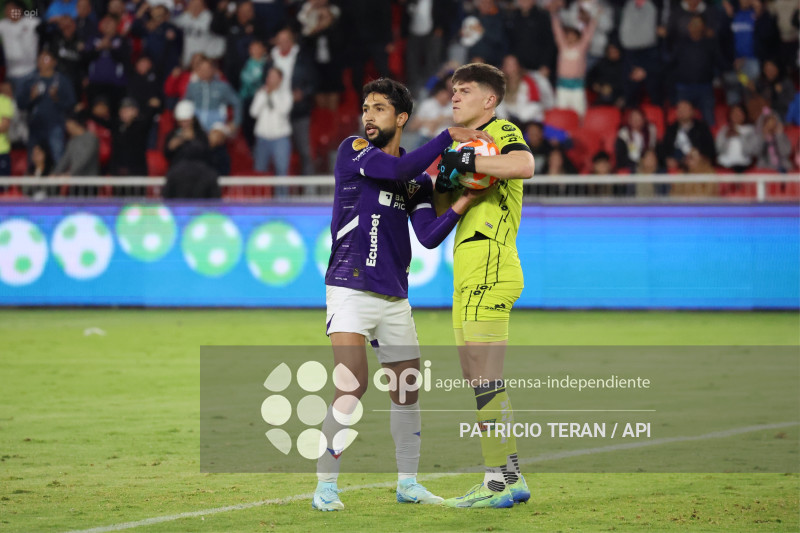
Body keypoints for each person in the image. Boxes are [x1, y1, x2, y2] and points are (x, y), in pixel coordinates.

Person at [314, 77, 492, 512]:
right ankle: (325, 486)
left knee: (406, 390)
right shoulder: (354, 152)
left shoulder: (417, 184)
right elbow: (396, 169)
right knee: (352, 383)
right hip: (349, 287)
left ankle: (408, 483)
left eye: (378, 109)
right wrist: (448, 136)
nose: (368, 116)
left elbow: (429, 236)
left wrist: (464, 202)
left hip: (394, 296)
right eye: (366, 108)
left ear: (401, 118)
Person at [434, 62, 535, 508]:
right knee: (478, 378)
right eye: (453, 90)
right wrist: (444, 178)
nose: (455, 96)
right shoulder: (465, 144)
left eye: (466, 90)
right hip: (469, 269)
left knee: (485, 378)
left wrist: (468, 160)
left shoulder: (501, 130)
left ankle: (496, 482)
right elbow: (445, 204)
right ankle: (512, 478)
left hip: (491, 266)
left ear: (489, 100)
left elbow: (525, 164)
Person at [549, 0, 597, 117]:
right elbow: (557, 30)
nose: (570, 38)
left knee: (580, 113)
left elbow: (588, 34)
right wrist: (554, 15)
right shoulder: (563, 46)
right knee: (561, 112)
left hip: (577, 87)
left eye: (573, 36)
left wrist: (593, 19)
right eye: (568, 36)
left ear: (578, 38)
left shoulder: (581, 47)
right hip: (562, 86)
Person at [715, 104, 757, 172]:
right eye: (734, 113)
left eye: (739, 113)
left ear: (744, 115)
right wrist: (726, 138)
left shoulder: (751, 130)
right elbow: (718, 149)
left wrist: (740, 136)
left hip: (743, 165)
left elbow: (751, 152)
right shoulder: (724, 130)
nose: (736, 116)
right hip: (723, 164)